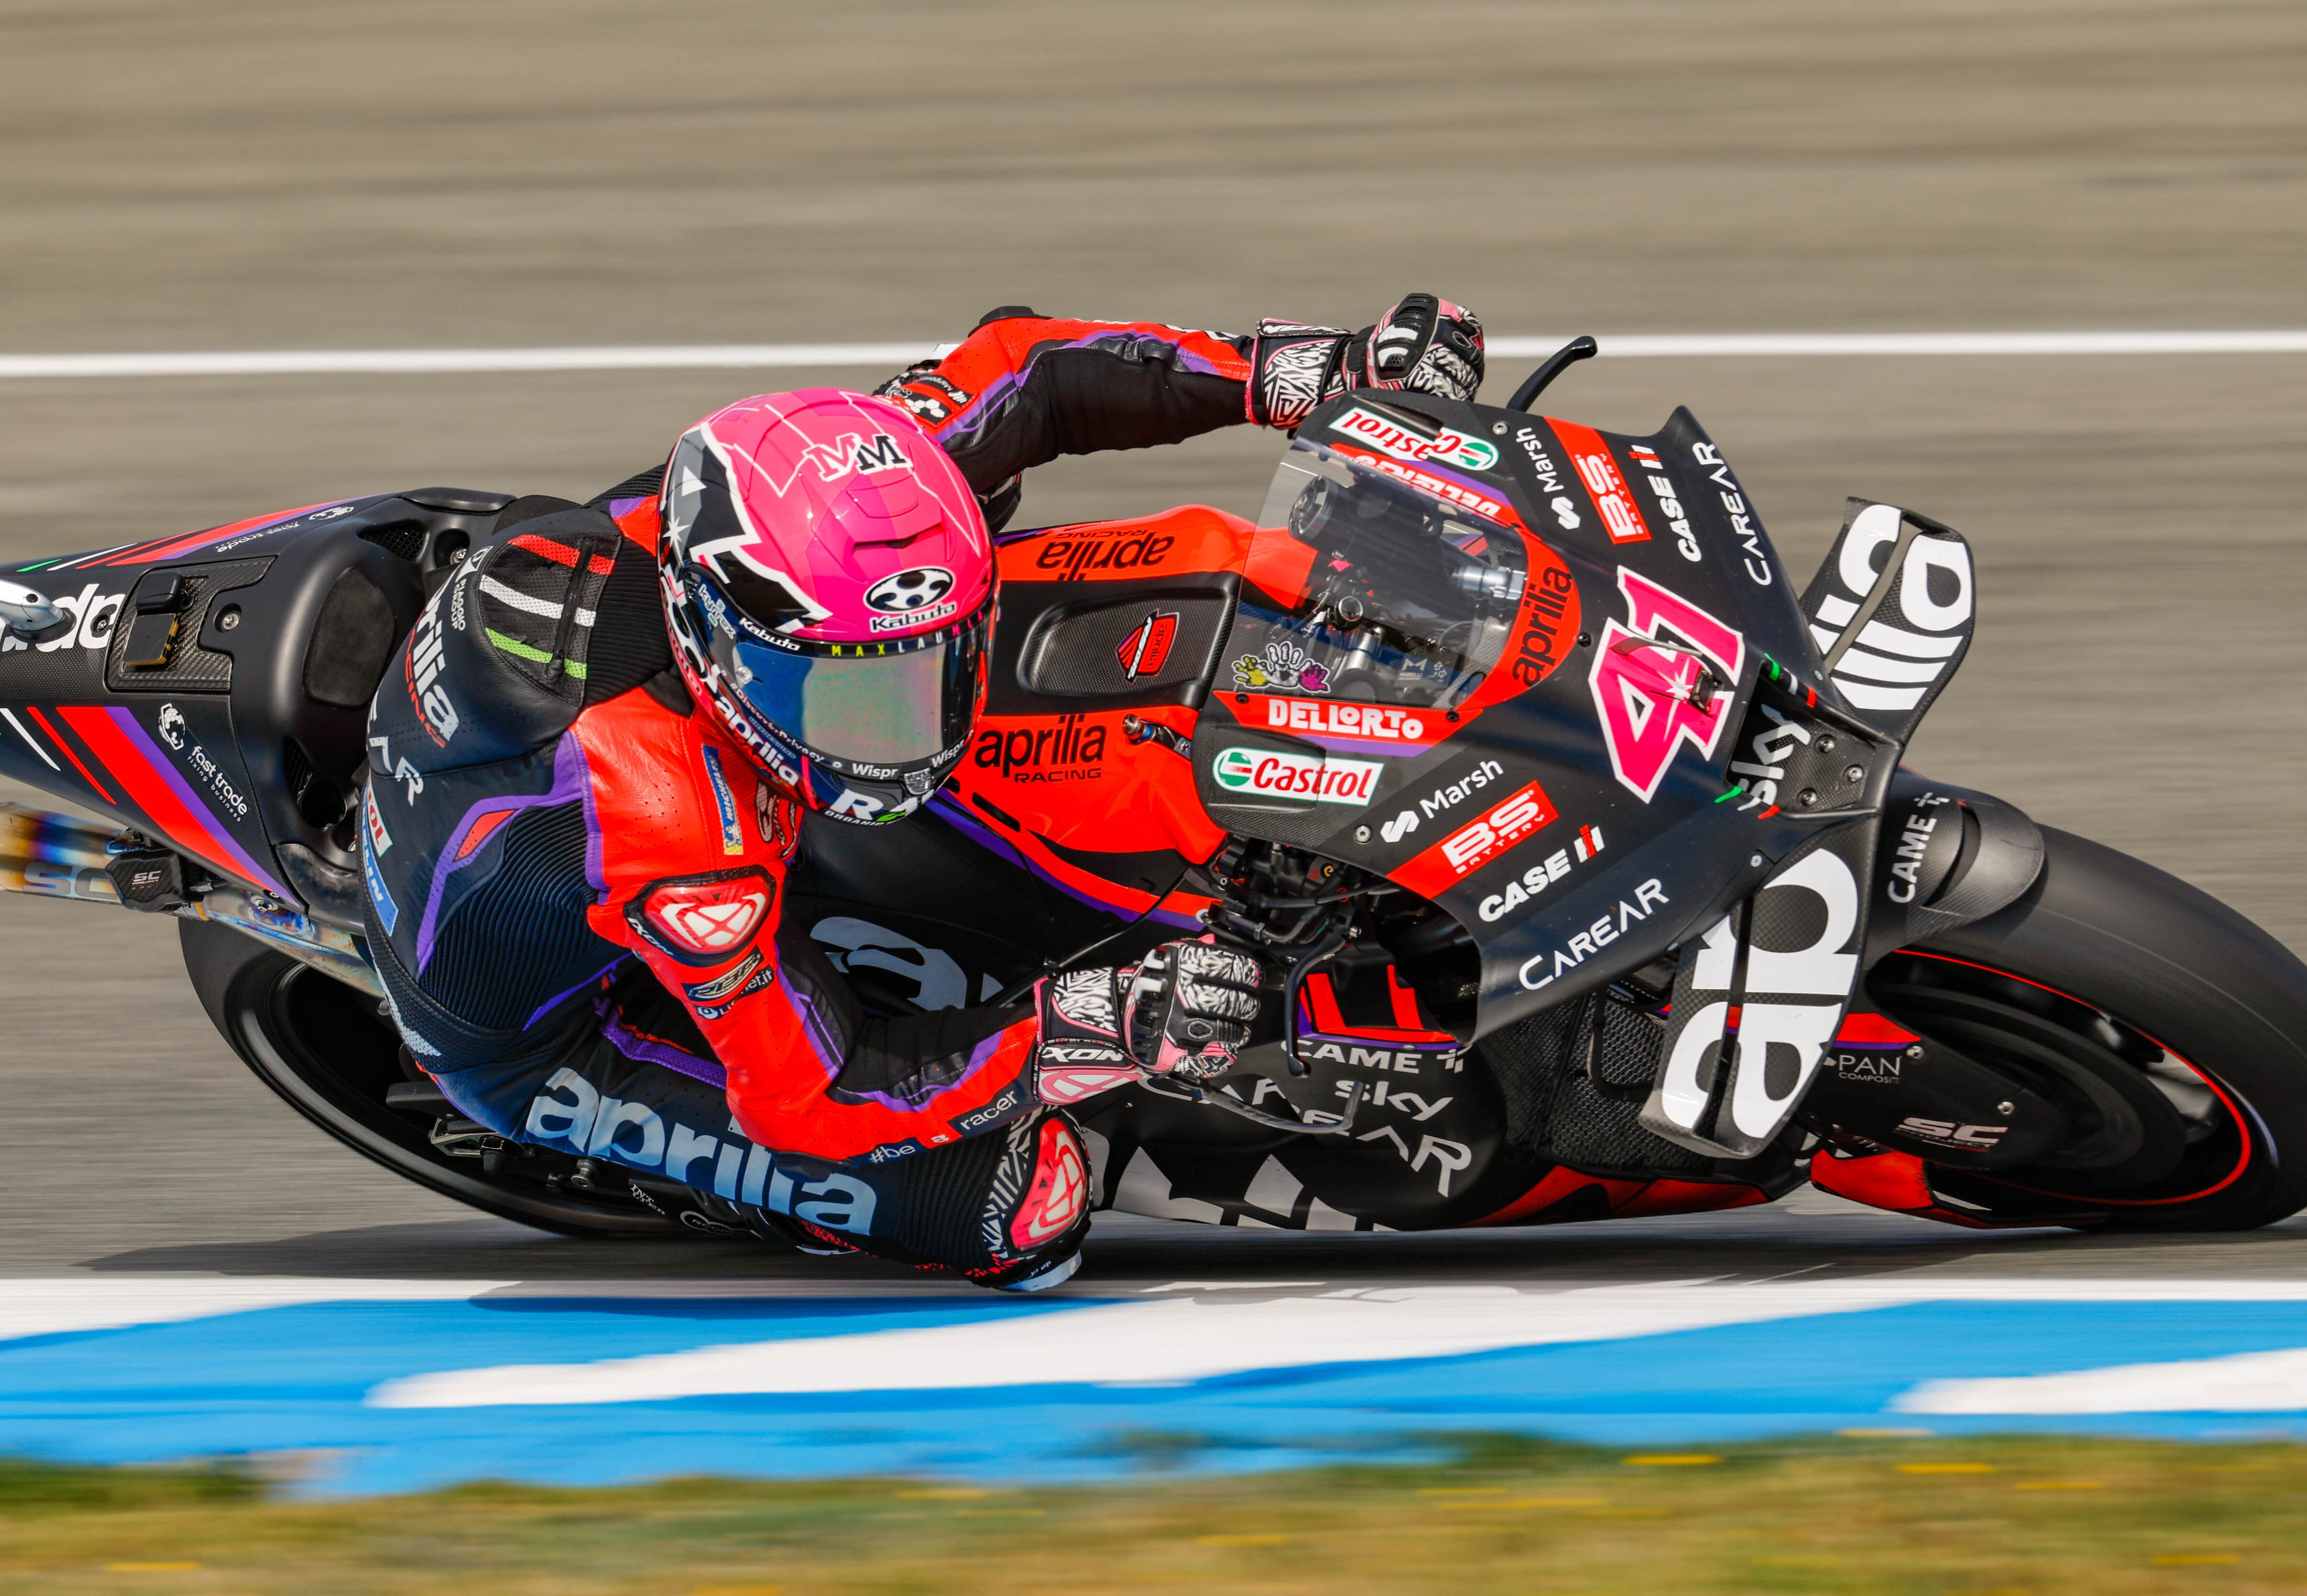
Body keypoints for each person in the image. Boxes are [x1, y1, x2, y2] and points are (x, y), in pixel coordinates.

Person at [358, 296, 1487, 1289]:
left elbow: (1028, 369)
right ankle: (751, 1193)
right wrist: (1099, 1022)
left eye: (928, 668)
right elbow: (821, 1092)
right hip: (572, 1034)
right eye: (853, 690)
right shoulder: (672, 822)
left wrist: (1301, 373)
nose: (912, 724)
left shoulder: (821, 494)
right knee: (1022, 1209)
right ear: (721, 642)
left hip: (612, 731)